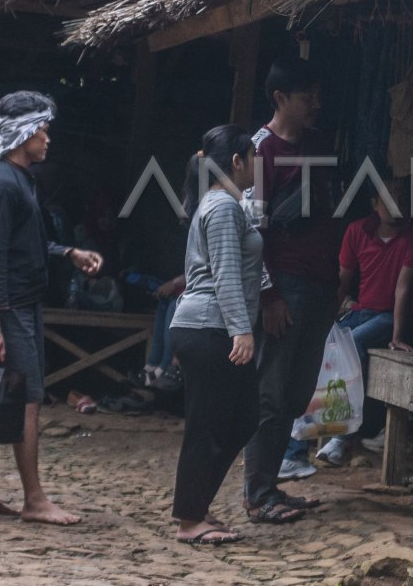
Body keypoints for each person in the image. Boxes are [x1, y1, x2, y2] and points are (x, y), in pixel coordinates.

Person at [0, 91, 103, 523]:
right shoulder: (4, 185)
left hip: (10, 304)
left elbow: (24, 243)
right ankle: (34, 499)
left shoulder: (20, 180)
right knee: (24, 400)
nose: (47, 138)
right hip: (7, 308)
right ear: (22, 133)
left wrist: (66, 253)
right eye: (42, 129)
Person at [282, 177, 413, 474]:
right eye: (388, 199)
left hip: (395, 318)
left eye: (403, 199)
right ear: (374, 204)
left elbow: (403, 288)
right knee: (317, 351)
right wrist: (324, 322)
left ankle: (342, 437)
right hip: (361, 313)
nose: (397, 206)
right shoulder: (357, 231)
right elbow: (342, 280)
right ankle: (295, 452)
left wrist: (397, 336)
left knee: (349, 345)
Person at [243, 56, 337, 522]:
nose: (315, 104)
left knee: (297, 394)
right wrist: (268, 296)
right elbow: (250, 232)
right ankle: (258, 494)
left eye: (316, 95)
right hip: (285, 289)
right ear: (280, 98)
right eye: (306, 97)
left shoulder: (320, 144)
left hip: (321, 286)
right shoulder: (259, 150)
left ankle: (271, 485)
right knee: (273, 393)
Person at [169, 125, 260, 545]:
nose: (258, 163)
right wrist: (241, 330)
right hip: (210, 326)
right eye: (252, 155)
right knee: (208, 424)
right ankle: (190, 520)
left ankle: (196, 506)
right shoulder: (222, 206)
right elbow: (224, 274)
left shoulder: (228, 204)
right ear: (237, 162)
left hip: (208, 325)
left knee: (242, 418)